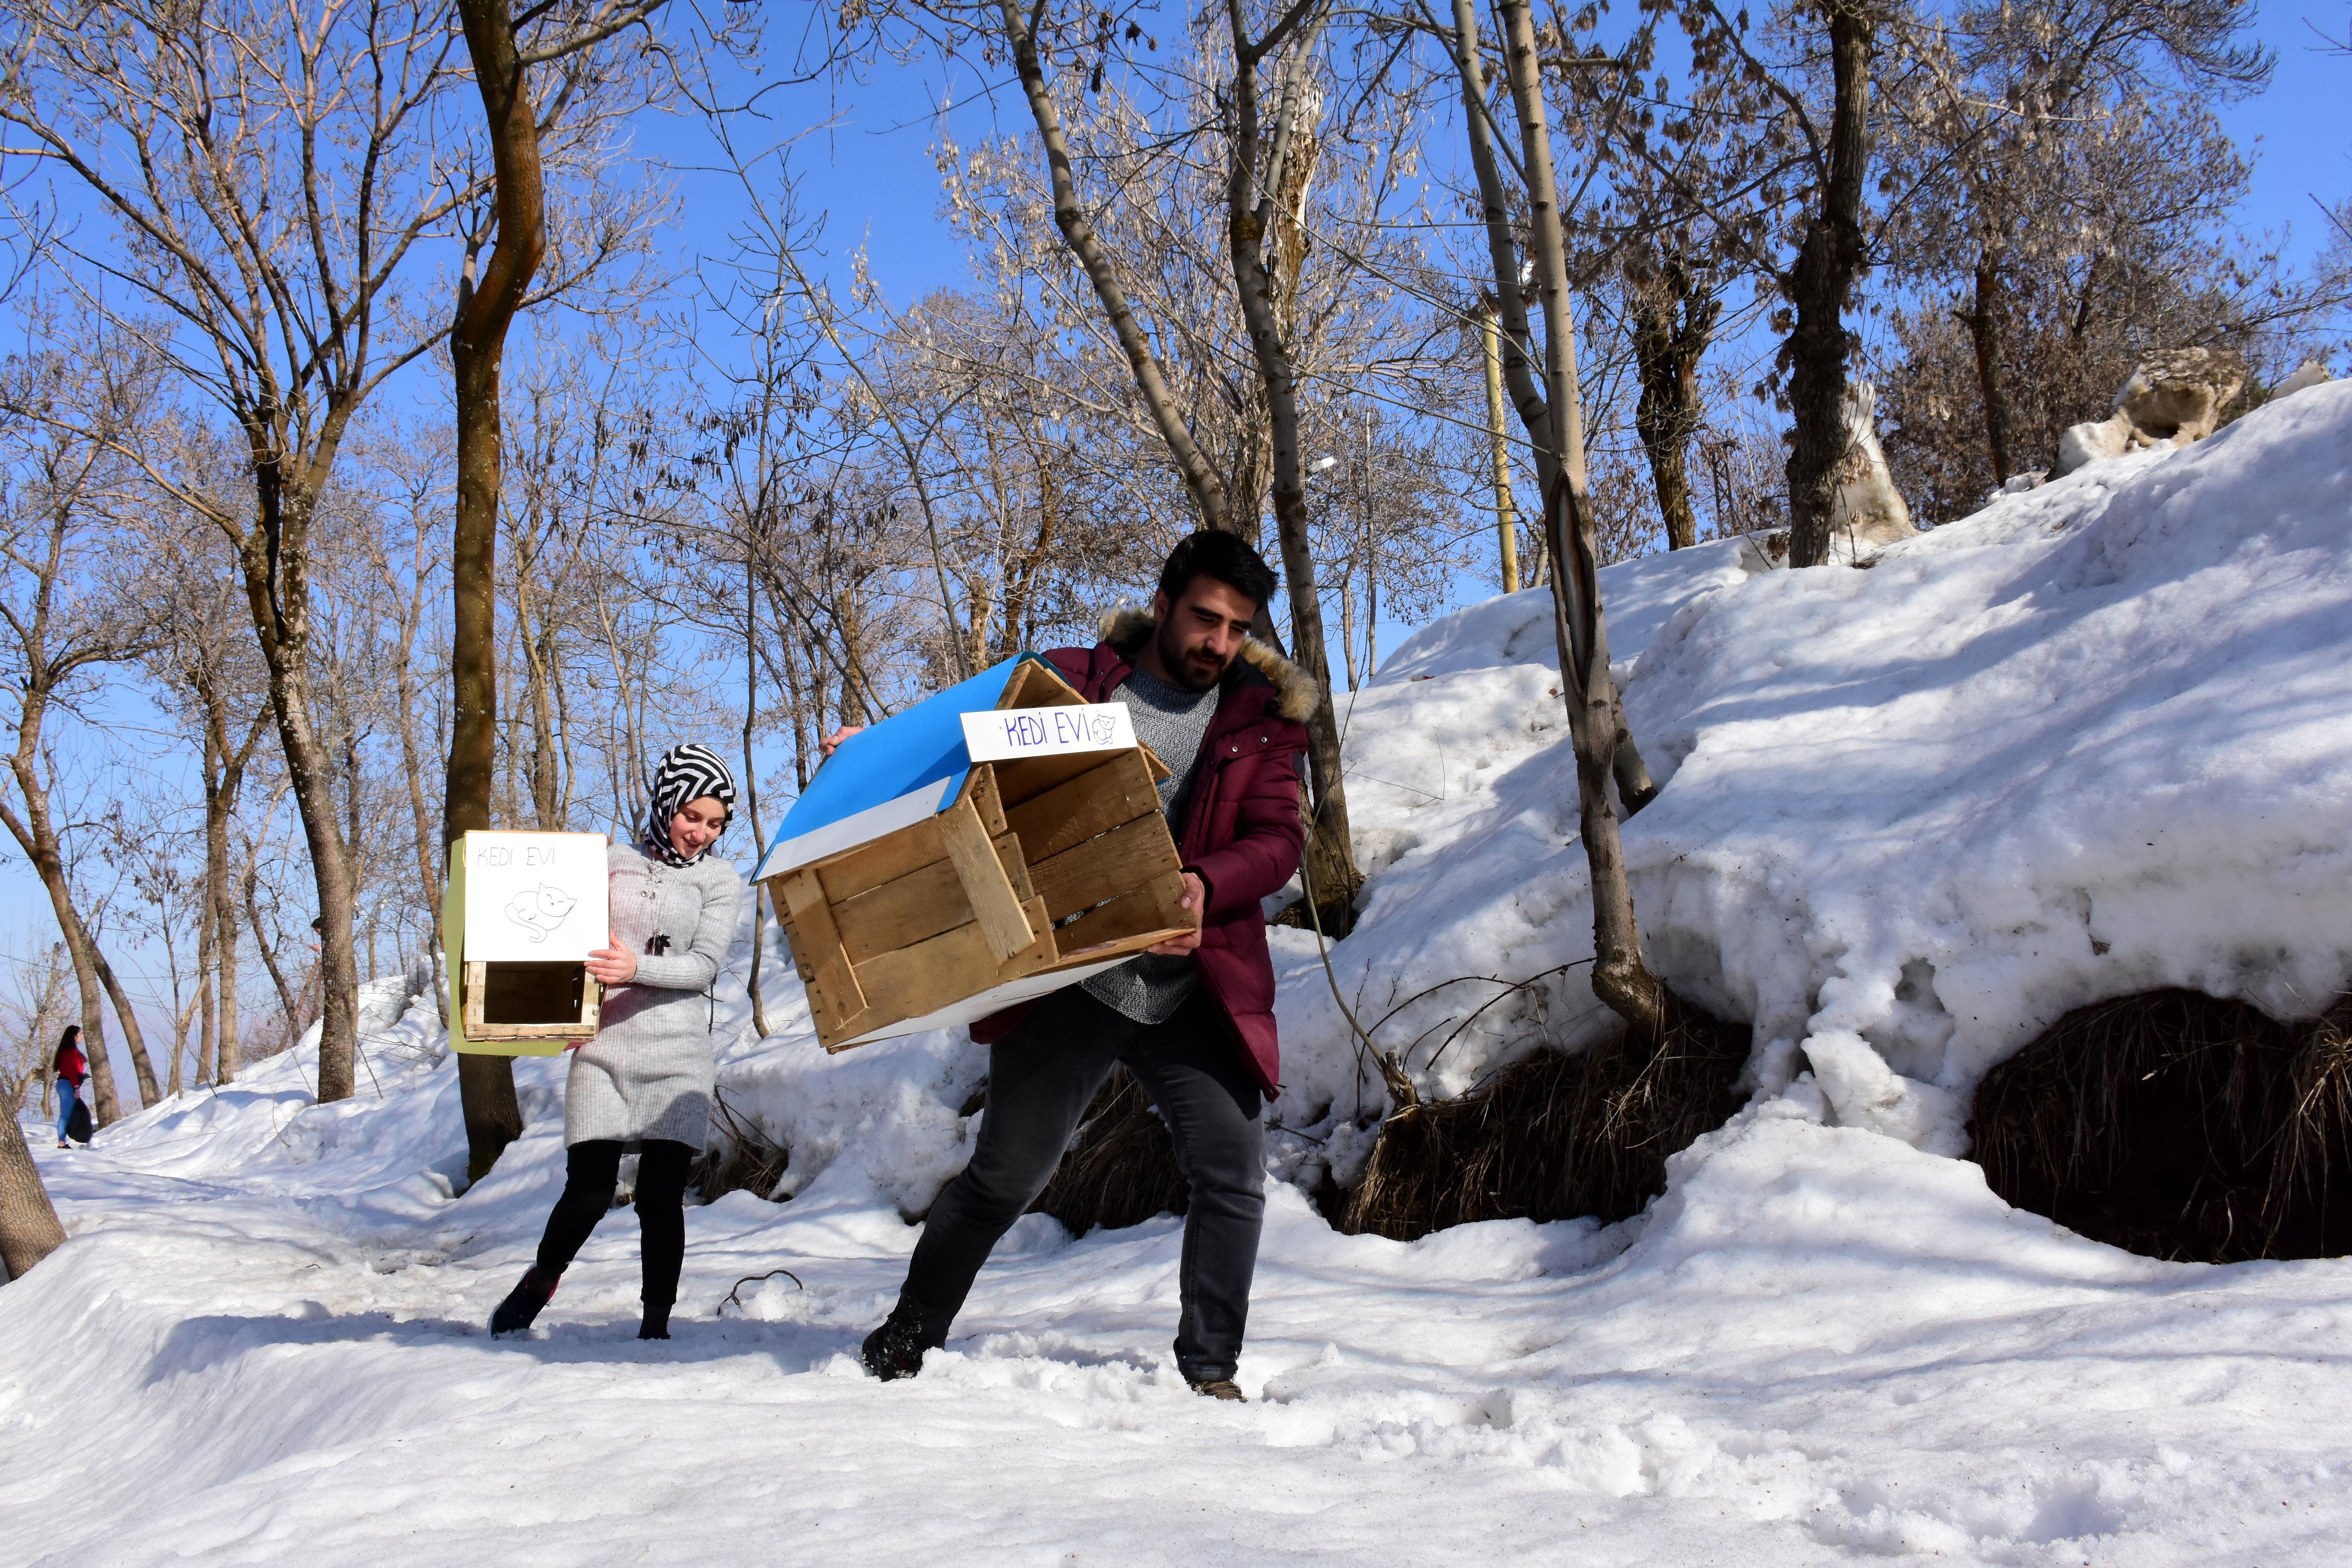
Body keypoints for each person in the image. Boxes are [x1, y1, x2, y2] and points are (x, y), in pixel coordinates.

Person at [855, 530, 1316, 1400]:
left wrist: (1202, 886)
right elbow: (958, 762)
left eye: (1236, 628)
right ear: (1163, 600)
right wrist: (873, 759)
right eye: (1203, 619)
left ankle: (1210, 1371)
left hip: (1194, 982)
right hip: (1070, 972)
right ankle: (907, 1335)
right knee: (1005, 1177)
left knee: (1232, 1173)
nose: (1217, 643)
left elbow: (1278, 840)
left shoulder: (1261, 717)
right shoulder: (1068, 680)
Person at [490, 743, 742, 1342]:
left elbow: (704, 966)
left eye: (715, 823)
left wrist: (635, 969)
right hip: (604, 1049)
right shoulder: (610, 863)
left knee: (661, 1200)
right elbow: (552, 927)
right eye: (692, 817)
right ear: (667, 805)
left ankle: (655, 1326)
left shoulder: (720, 881)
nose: (701, 833)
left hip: (680, 1058)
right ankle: (540, 1283)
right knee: (589, 1191)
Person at [52, 1025, 86, 1149]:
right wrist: (77, 1087)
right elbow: (73, 1071)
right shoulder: (71, 1052)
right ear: (74, 1036)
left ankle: (63, 1140)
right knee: (65, 1115)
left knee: (66, 1114)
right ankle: (62, 1143)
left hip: (64, 1083)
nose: (82, 1036)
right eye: (80, 1034)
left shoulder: (67, 1051)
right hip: (68, 1084)